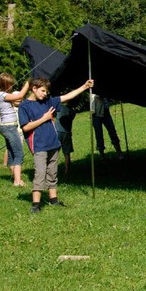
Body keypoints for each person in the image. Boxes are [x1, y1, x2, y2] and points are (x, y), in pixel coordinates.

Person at [19, 77, 94, 213]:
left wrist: (84, 87)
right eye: (42, 91)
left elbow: (66, 97)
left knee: (52, 173)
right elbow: (25, 127)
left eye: (46, 92)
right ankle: (36, 204)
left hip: (53, 144)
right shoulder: (25, 106)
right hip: (39, 146)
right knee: (40, 174)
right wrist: (44, 119)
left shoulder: (48, 102)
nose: (45, 94)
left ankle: (54, 200)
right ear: (34, 89)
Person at [0, 74, 30, 187]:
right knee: (19, 153)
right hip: (9, 127)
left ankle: (15, 176)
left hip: (9, 126)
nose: (11, 86)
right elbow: (20, 96)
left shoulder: (1, 95)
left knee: (11, 153)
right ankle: (17, 181)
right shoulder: (1, 95)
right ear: (3, 84)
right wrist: (28, 82)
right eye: (10, 84)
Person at [91, 94, 124, 160]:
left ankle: (119, 153)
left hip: (106, 112)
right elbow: (94, 96)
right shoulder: (91, 89)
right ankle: (102, 156)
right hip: (96, 113)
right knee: (99, 135)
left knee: (112, 131)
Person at [56, 101, 76, 175]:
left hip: (58, 131)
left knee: (55, 152)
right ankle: (67, 171)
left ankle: (52, 169)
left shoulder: (60, 107)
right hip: (67, 132)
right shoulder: (73, 111)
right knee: (67, 153)